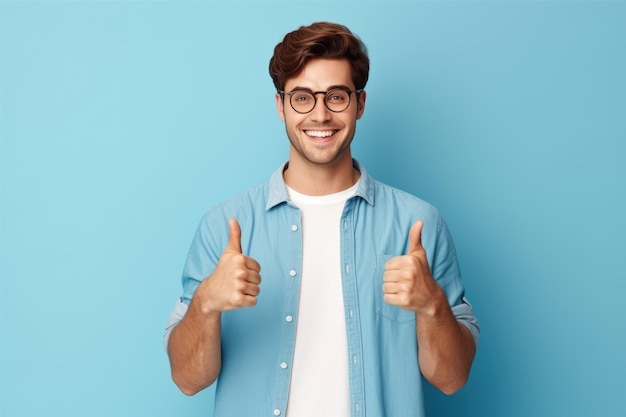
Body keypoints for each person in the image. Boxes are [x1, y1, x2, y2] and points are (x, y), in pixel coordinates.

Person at [164, 21, 479, 417]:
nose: (320, 115)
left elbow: (451, 379)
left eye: (336, 96)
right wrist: (206, 303)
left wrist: (433, 306)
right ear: (280, 106)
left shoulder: (418, 224)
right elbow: (187, 379)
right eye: (302, 98)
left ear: (360, 103)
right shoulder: (225, 226)